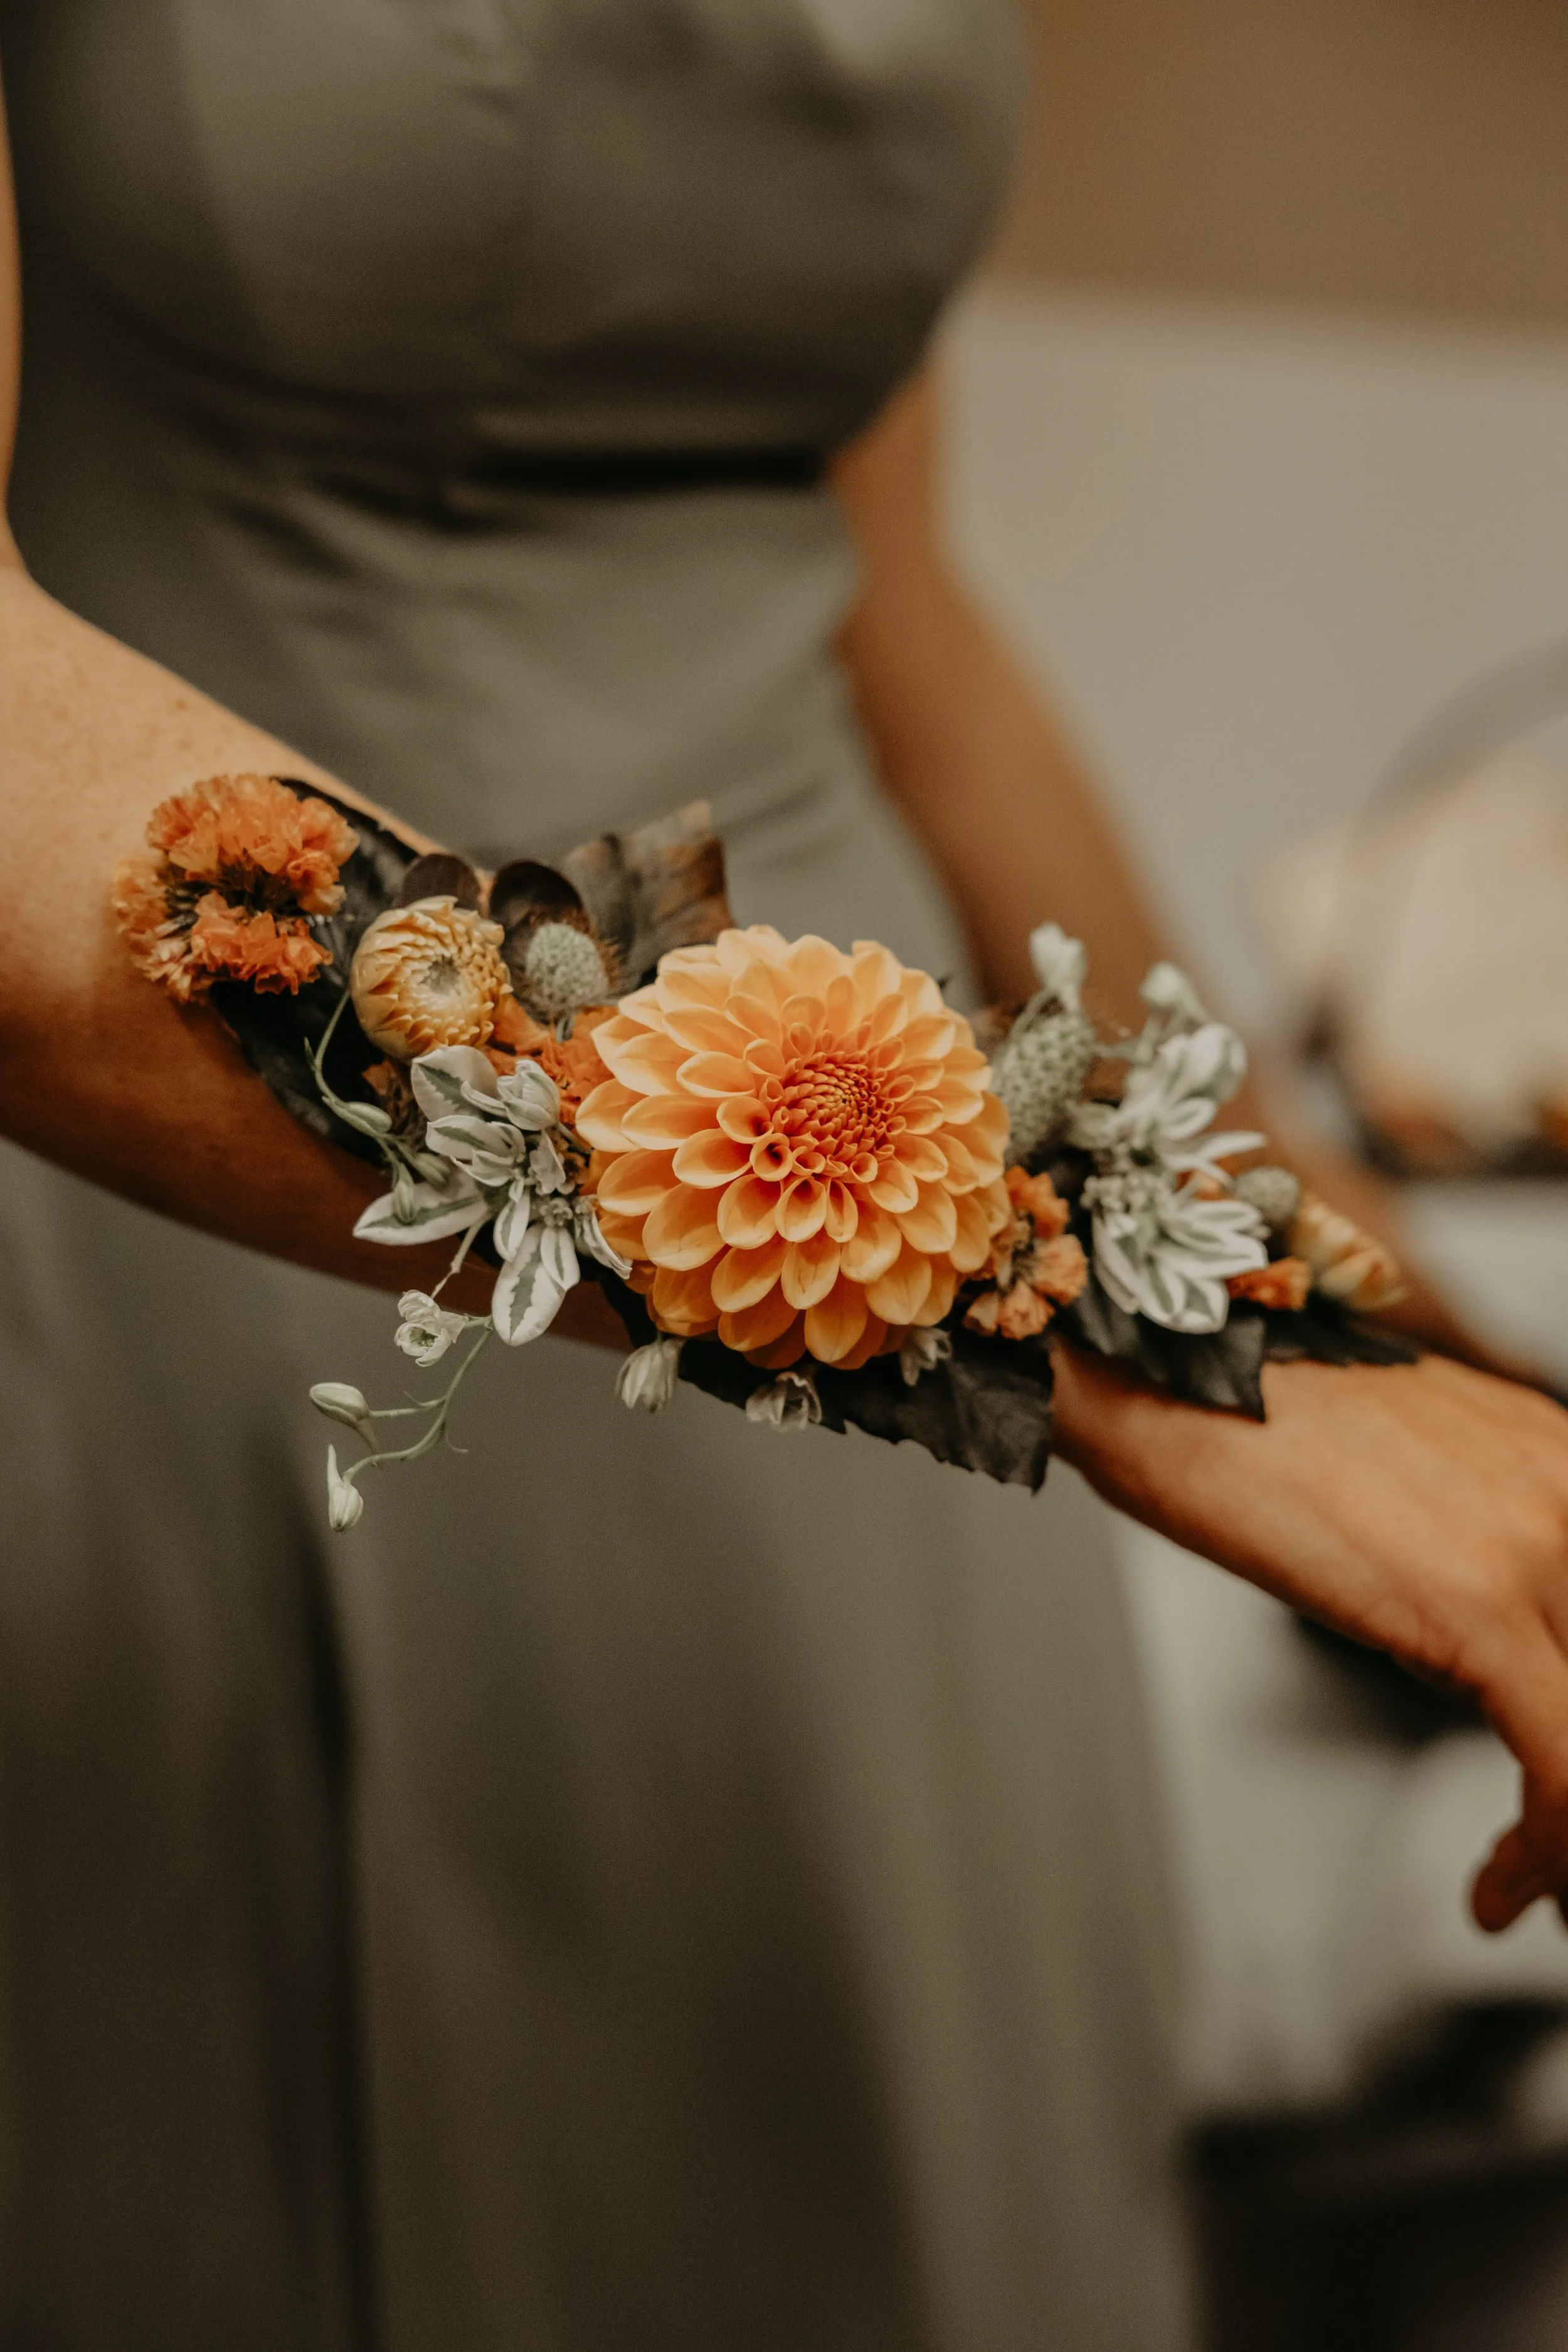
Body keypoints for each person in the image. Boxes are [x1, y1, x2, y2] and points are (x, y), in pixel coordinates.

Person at [2, 6, 1567, 2348]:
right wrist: (1107, 1317)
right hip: (241, 1212)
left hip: (870, 1441)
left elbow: (895, 619)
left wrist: (1330, 1283)